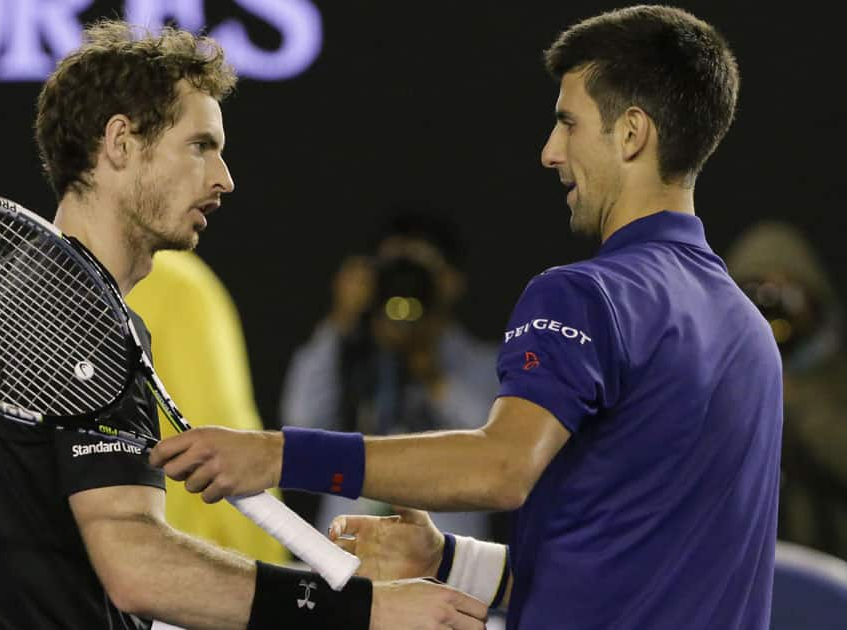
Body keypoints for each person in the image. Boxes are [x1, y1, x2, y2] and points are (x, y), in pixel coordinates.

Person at [151, 6, 783, 629]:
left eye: (569, 124)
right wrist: (445, 557)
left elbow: (500, 468)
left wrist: (278, 455)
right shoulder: (750, 332)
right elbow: (631, 567)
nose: (550, 152)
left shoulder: (588, 296)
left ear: (632, 133)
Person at [0, 20, 489, 630]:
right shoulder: (87, 320)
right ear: (121, 143)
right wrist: (370, 611)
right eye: (200, 145)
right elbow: (137, 569)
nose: (223, 178)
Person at [281, 210, 497, 539]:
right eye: (394, 269)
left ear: (451, 282)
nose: (406, 281)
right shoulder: (348, 355)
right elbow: (300, 421)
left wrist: (428, 367)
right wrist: (341, 322)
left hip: (443, 569)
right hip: (345, 559)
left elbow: (497, 450)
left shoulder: (484, 363)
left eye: (420, 269)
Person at [127, 250, 288, 564]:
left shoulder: (31, 279)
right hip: (183, 571)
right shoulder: (180, 285)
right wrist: (266, 571)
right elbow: (223, 434)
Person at [726, 222, 847, 560]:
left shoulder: (837, 381)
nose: (770, 309)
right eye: (754, 294)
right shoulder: (706, 383)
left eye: (785, 294)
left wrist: (792, 400)